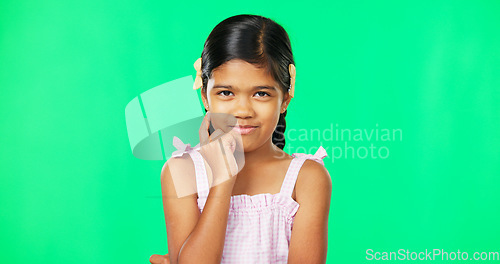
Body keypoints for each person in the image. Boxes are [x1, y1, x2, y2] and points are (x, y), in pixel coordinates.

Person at [150, 14, 332, 264]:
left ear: (285, 99)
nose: (243, 110)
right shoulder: (181, 172)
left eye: (261, 93)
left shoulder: (307, 179)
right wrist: (223, 180)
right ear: (205, 96)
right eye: (226, 92)